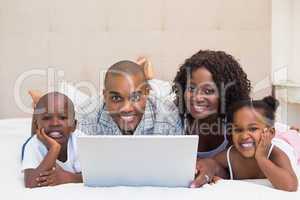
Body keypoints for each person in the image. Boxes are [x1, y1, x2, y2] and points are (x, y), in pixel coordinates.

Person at [30, 60, 182, 136]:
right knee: (66, 103)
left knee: (164, 89)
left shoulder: (168, 113)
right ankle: (41, 98)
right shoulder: (87, 114)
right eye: (116, 99)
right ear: (105, 97)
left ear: (146, 94)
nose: (126, 108)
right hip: (96, 104)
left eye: (135, 97)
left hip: (154, 94)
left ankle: (148, 75)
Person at [192, 96, 299, 191]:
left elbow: (291, 185)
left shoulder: (275, 154)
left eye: (253, 129)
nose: (244, 136)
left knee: (292, 138)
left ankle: (292, 131)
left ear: (269, 133)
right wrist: (213, 172)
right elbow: (211, 164)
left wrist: (261, 158)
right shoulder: (231, 155)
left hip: (288, 144)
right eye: (238, 130)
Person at [22, 92, 83, 188]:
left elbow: (94, 176)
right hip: (39, 138)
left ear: (74, 125)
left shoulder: (81, 141)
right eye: (47, 118)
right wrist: (54, 148)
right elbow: (31, 182)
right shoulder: (34, 144)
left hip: (50, 133)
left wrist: (68, 178)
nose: (55, 123)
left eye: (63, 117)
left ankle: (39, 105)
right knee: (27, 144)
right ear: (37, 125)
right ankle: (37, 109)